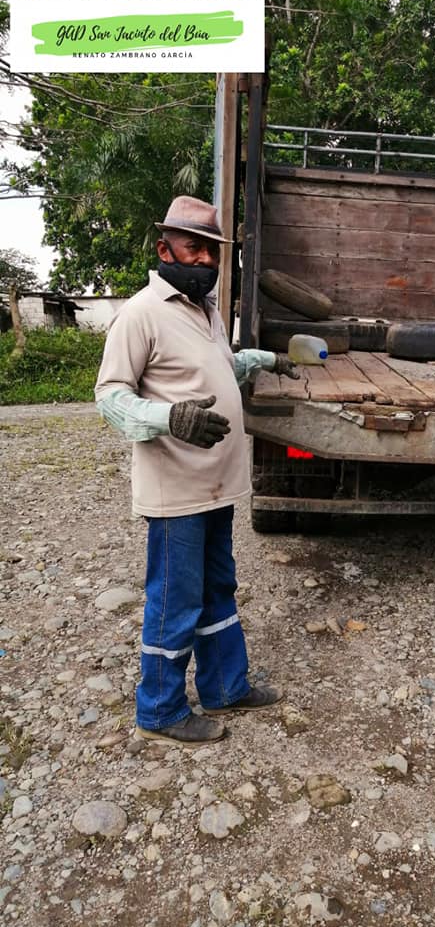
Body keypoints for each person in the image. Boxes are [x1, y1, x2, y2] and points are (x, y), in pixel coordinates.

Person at [95, 195, 299, 747]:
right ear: (165, 249)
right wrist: (170, 418)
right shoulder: (141, 313)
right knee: (177, 598)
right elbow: (110, 397)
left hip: (216, 485)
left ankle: (225, 687)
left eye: (213, 251)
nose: (206, 260)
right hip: (177, 489)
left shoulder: (205, 310)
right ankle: (160, 710)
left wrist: (264, 360)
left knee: (219, 587)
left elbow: (218, 368)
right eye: (194, 248)